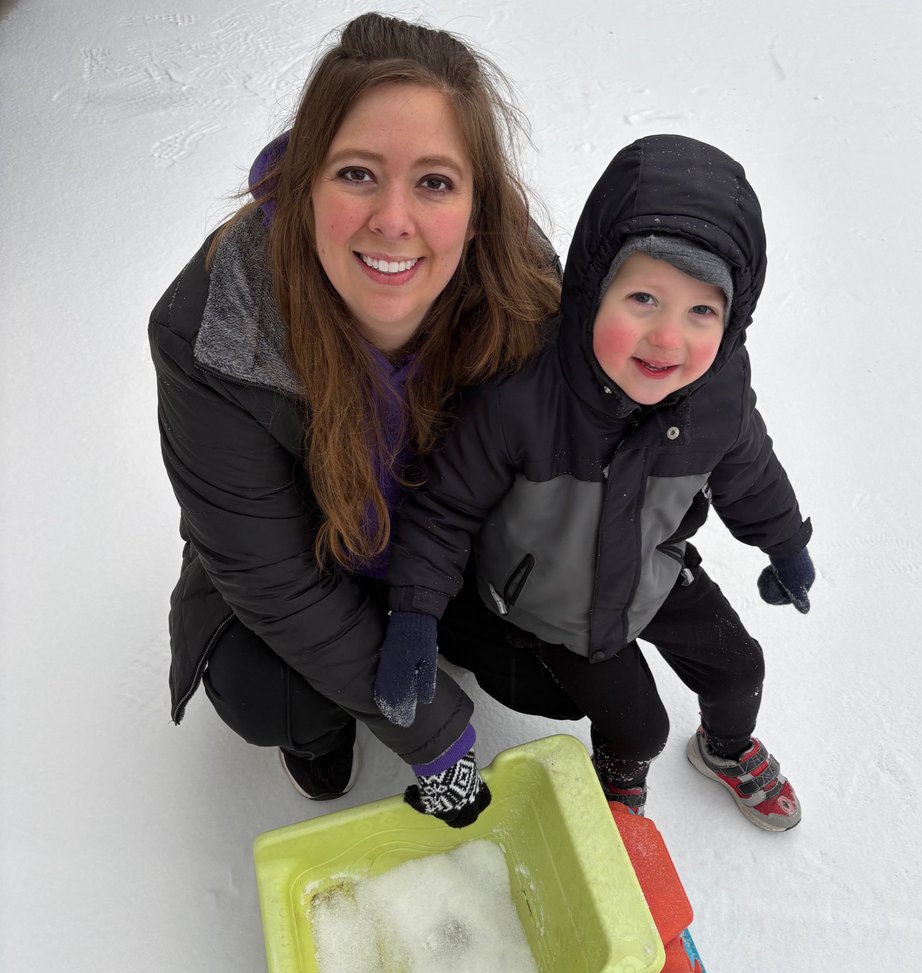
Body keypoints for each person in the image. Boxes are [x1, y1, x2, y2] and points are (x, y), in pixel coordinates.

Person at [148, 13, 567, 828]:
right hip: (313, 558)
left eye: (434, 182)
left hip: (444, 547)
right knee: (267, 691)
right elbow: (266, 572)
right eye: (356, 174)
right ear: (305, 180)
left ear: (478, 204)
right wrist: (435, 733)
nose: (393, 221)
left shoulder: (519, 280)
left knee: (562, 657)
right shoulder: (212, 328)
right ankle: (323, 717)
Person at [374, 133, 815, 831]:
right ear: (592, 289)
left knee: (738, 667)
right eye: (643, 297)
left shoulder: (717, 389)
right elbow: (444, 510)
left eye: (701, 311)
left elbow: (750, 469)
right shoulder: (523, 394)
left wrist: (785, 545)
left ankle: (724, 749)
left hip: (649, 568)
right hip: (554, 604)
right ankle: (620, 778)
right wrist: (414, 617)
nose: (667, 339)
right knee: (637, 726)